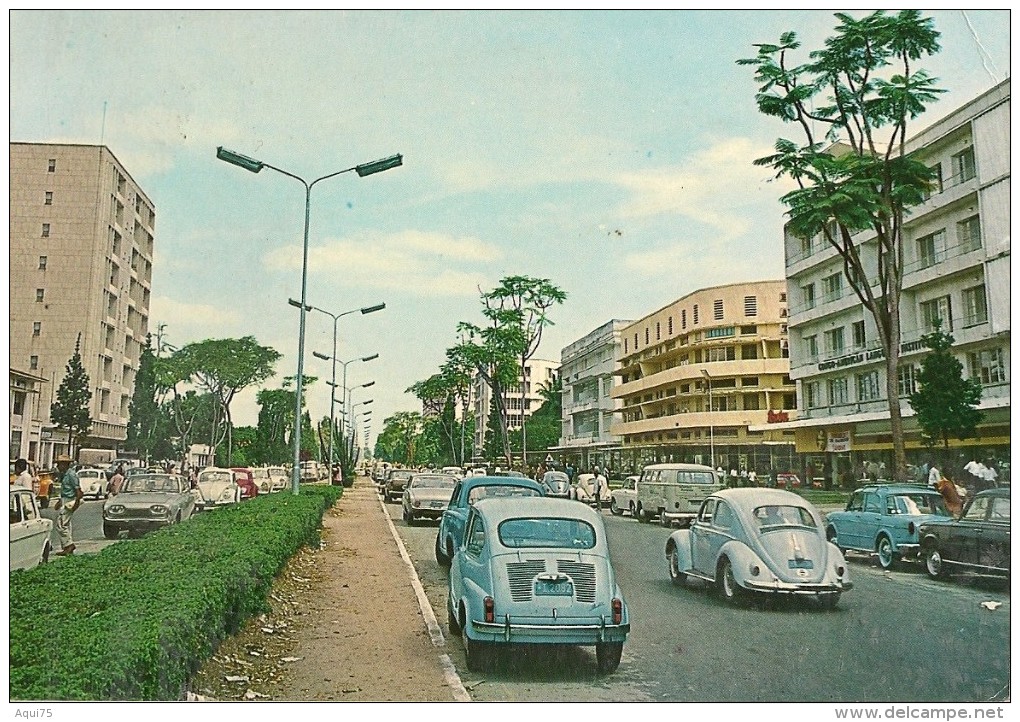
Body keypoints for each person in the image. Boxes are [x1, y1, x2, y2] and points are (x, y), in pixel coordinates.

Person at [54, 454, 82, 556]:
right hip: (65, 500)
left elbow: (78, 491)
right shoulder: (64, 475)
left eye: (59, 464)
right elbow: (65, 490)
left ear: (65, 464)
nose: (57, 466)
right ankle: (66, 546)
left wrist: (76, 504)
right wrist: (59, 501)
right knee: (66, 525)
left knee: (61, 525)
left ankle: (69, 545)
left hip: (70, 501)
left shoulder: (71, 475)